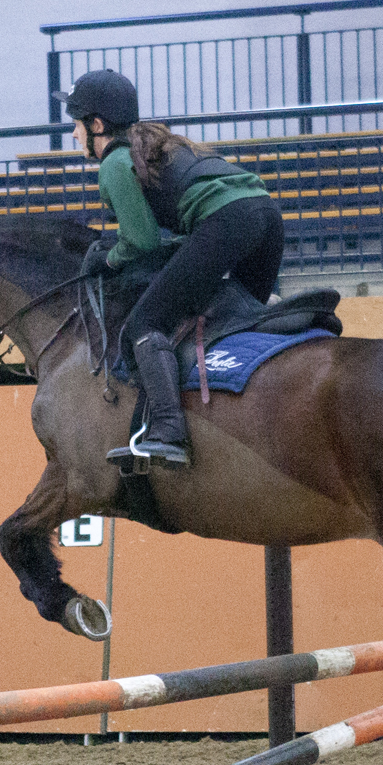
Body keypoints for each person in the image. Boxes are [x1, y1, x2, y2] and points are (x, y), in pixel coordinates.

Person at [54, 69, 284, 469]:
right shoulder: (157, 145)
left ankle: (167, 429)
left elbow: (142, 242)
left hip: (228, 220)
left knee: (144, 325)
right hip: (266, 214)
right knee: (232, 320)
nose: (74, 135)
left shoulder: (113, 164)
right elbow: (173, 242)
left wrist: (107, 259)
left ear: (96, 125)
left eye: (76, 125)